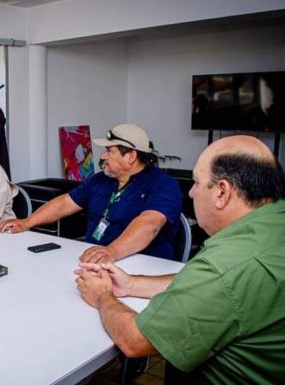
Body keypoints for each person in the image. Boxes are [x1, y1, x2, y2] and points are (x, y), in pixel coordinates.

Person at [76, 135, 285, 384]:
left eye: (197, 182)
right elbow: (210, 285)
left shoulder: (225, 266)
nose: (192, 192)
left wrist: (102, 296)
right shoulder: (271, 225)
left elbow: (135, 341)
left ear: (222, 192)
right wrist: (131, 284)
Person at [0, 123, 182, 262]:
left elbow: (150, 224)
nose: (103, 156)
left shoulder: (163, 185)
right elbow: (65, 203)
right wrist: (27, 222)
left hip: (141, 265)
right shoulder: (99, 180)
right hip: (94, 260)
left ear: (131, 156)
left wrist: (112, 251)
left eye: (109, 151)